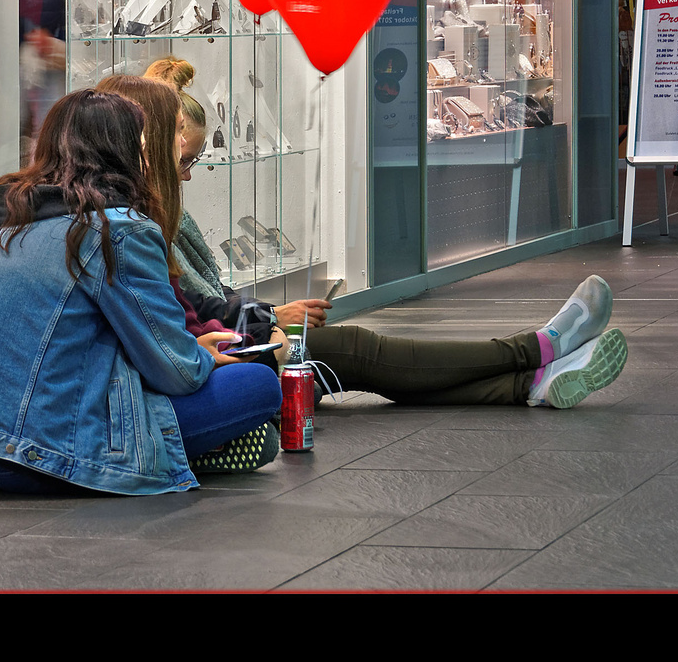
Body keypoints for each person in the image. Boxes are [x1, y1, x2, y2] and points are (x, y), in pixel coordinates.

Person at [143, 56, 628, 409]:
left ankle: (533, 380)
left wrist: (262, 320)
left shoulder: (151, 219)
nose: (188, 177)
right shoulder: (137, 226)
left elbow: (199, 308)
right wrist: (262, 326)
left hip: (229, 344)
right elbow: (191, 318)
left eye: (194, 162)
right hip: (225, 353)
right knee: (360, 353)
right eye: (184, 163)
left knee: (372, 364)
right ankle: (538, 349)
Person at [0, 88, 282, 496]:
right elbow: (175, 371)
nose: (148, 159)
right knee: (258, 384)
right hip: (42, 456)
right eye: (141, 147)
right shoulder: (118, 230)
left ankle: (194, 449)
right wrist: (202, 357)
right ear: (119, 154)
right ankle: (180, 453)